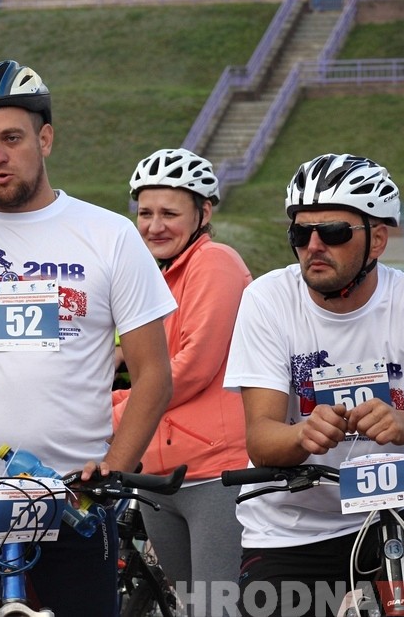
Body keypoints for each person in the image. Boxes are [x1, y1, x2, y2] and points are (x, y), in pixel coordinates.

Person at [0, 59, 177, 616]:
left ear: (45, 138)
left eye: (12, 138)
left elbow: (153, 375)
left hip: (72, 498)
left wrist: (115, 467)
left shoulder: (109, 234)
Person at [223, 153, 404, 617]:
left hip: (397, 513)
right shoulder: (267, 300)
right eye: (301, 233)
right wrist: (301, 435)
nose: (313, 245)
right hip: (293, 529)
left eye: (334, 233)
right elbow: (261, 439)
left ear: (377, 238)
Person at [111, 148, 251, 616]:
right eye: (145, 213)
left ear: (203, 212)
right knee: (192, 605)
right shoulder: (149, 275)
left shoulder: (215, 263)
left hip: (214, 473)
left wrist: (105, 412)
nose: (154, 225)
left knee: (216, 608)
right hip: (155, 476)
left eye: (170, 213)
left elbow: (191, 368)